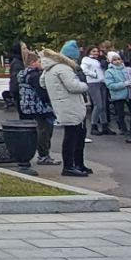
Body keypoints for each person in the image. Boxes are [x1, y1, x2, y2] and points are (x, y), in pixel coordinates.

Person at [40, 46, 91, 177]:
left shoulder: (48, 69)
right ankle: (71, 165)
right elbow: (73, 86)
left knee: (74, 135)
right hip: (71, 105)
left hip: (61, 105)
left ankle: (76, 164)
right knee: (74, 136)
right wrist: (85, 85)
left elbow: (42, 84)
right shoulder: (63, 68)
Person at [16, 49, 58, 165]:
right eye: (39, 61)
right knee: (45, 131)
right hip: (40, 107)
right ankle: (44, 155)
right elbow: (42, 92)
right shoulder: (36, 76)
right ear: (33, 62)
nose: (41, 64)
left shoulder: (23, 74)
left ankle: (41, 154)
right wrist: (51, 102)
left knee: (38, 130)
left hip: (28, 106)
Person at [105, 52, 131, 143]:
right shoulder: (109, 72)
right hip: (118, 96)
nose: (117, 61)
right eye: (114, 60)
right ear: (111, 61)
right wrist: (123, 84)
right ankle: (125, 132)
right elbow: (110, 85)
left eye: (119, 59)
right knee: (121, 115)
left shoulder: (129, 70)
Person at [81, 46, 111, 135]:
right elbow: (83, 69)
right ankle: (94, 125)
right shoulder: (86, 59)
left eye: (97, 51)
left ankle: (104, 125)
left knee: (103, 105)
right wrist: (93, 74)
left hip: (102, 82)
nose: (96, 53)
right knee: (98, 105)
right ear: (89, 51)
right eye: (94, 51)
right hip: (93, 83)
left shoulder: (99, 60)